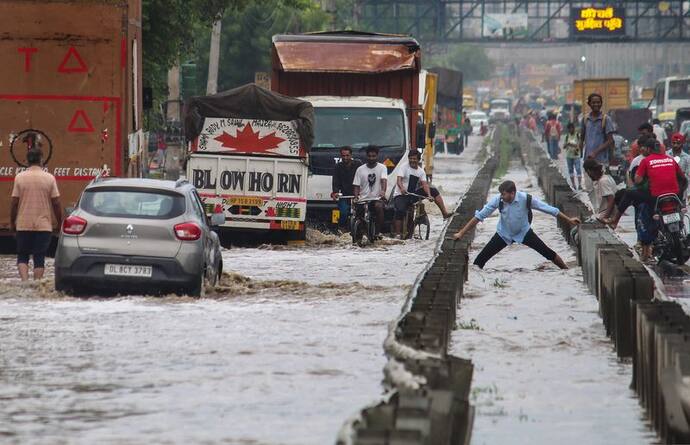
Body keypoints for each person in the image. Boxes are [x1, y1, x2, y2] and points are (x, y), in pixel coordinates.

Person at [452, 180, 580, 269]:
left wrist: (569, 220)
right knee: (479, 261)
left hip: (524, 232)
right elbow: (479, 216)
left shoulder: (526, 199)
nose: (501, 196)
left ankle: (566, 270)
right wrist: (461, 233)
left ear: (512, 193)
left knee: (547, 253)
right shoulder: (498, 200)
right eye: (501, 194)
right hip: (504, 234)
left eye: (504, 194)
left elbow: (550, 210)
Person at [10, 148, 62, 281]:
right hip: (43, 226)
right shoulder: (49, 178)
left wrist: (13, 223)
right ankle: (37, 284)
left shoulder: (19, 178)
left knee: (22, 256)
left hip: (23, 224)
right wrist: (60, 223)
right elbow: (56, 203)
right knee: (39, 257)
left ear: (27, 161)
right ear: (41, 160)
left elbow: (14, 203)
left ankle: (24, 283)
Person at [392, 150, 453, 238]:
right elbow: (399, 180)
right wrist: (402, 188)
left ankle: (444, 213)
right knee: (400, 210)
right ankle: (397, 234)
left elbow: (424, 184)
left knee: (433, 191)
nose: (412, 160)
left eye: (414, 159)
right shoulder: (403, 167)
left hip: (412, 195)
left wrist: (429, 195)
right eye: (410, 158)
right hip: (401, 195)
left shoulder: (421, 171)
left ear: (418, 160)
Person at [352, 146, 387, 237]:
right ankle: (358, 232)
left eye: (373, 156)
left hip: (376, 198)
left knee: (379, 207)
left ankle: (377, 232)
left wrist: (383, 191)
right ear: (366, 156)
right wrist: (356, 197)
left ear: (377, 156)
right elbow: (356, 185)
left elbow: (384, 181)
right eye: (369, 156)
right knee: (357, 214)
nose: (371, 158)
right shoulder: (360, 169)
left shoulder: (382, 167)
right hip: (363, 199)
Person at [330, 146, 362, 230]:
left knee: (362, 213)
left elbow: (363, 178)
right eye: (343, 156)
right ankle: (342, 228)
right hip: (345, 195)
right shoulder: (338, 166)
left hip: (358, 195)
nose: (345, 158)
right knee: (343, 212)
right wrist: (335, 192)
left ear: (351, 155)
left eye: (347, 155)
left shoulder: (358, 164)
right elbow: (335, 181)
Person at [563, 122, 581, 190]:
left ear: (574, 128)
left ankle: (579, 184)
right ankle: (573, 184)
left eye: (572, 128)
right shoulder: (567, 136)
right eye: (569, 129)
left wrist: (572, 145)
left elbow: (579, 145)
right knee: (570, 170)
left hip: (576, 155)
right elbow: (564, 146)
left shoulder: (577, 135)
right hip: (569, 156)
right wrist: (566, 144)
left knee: (578, 169)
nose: (571, 130)